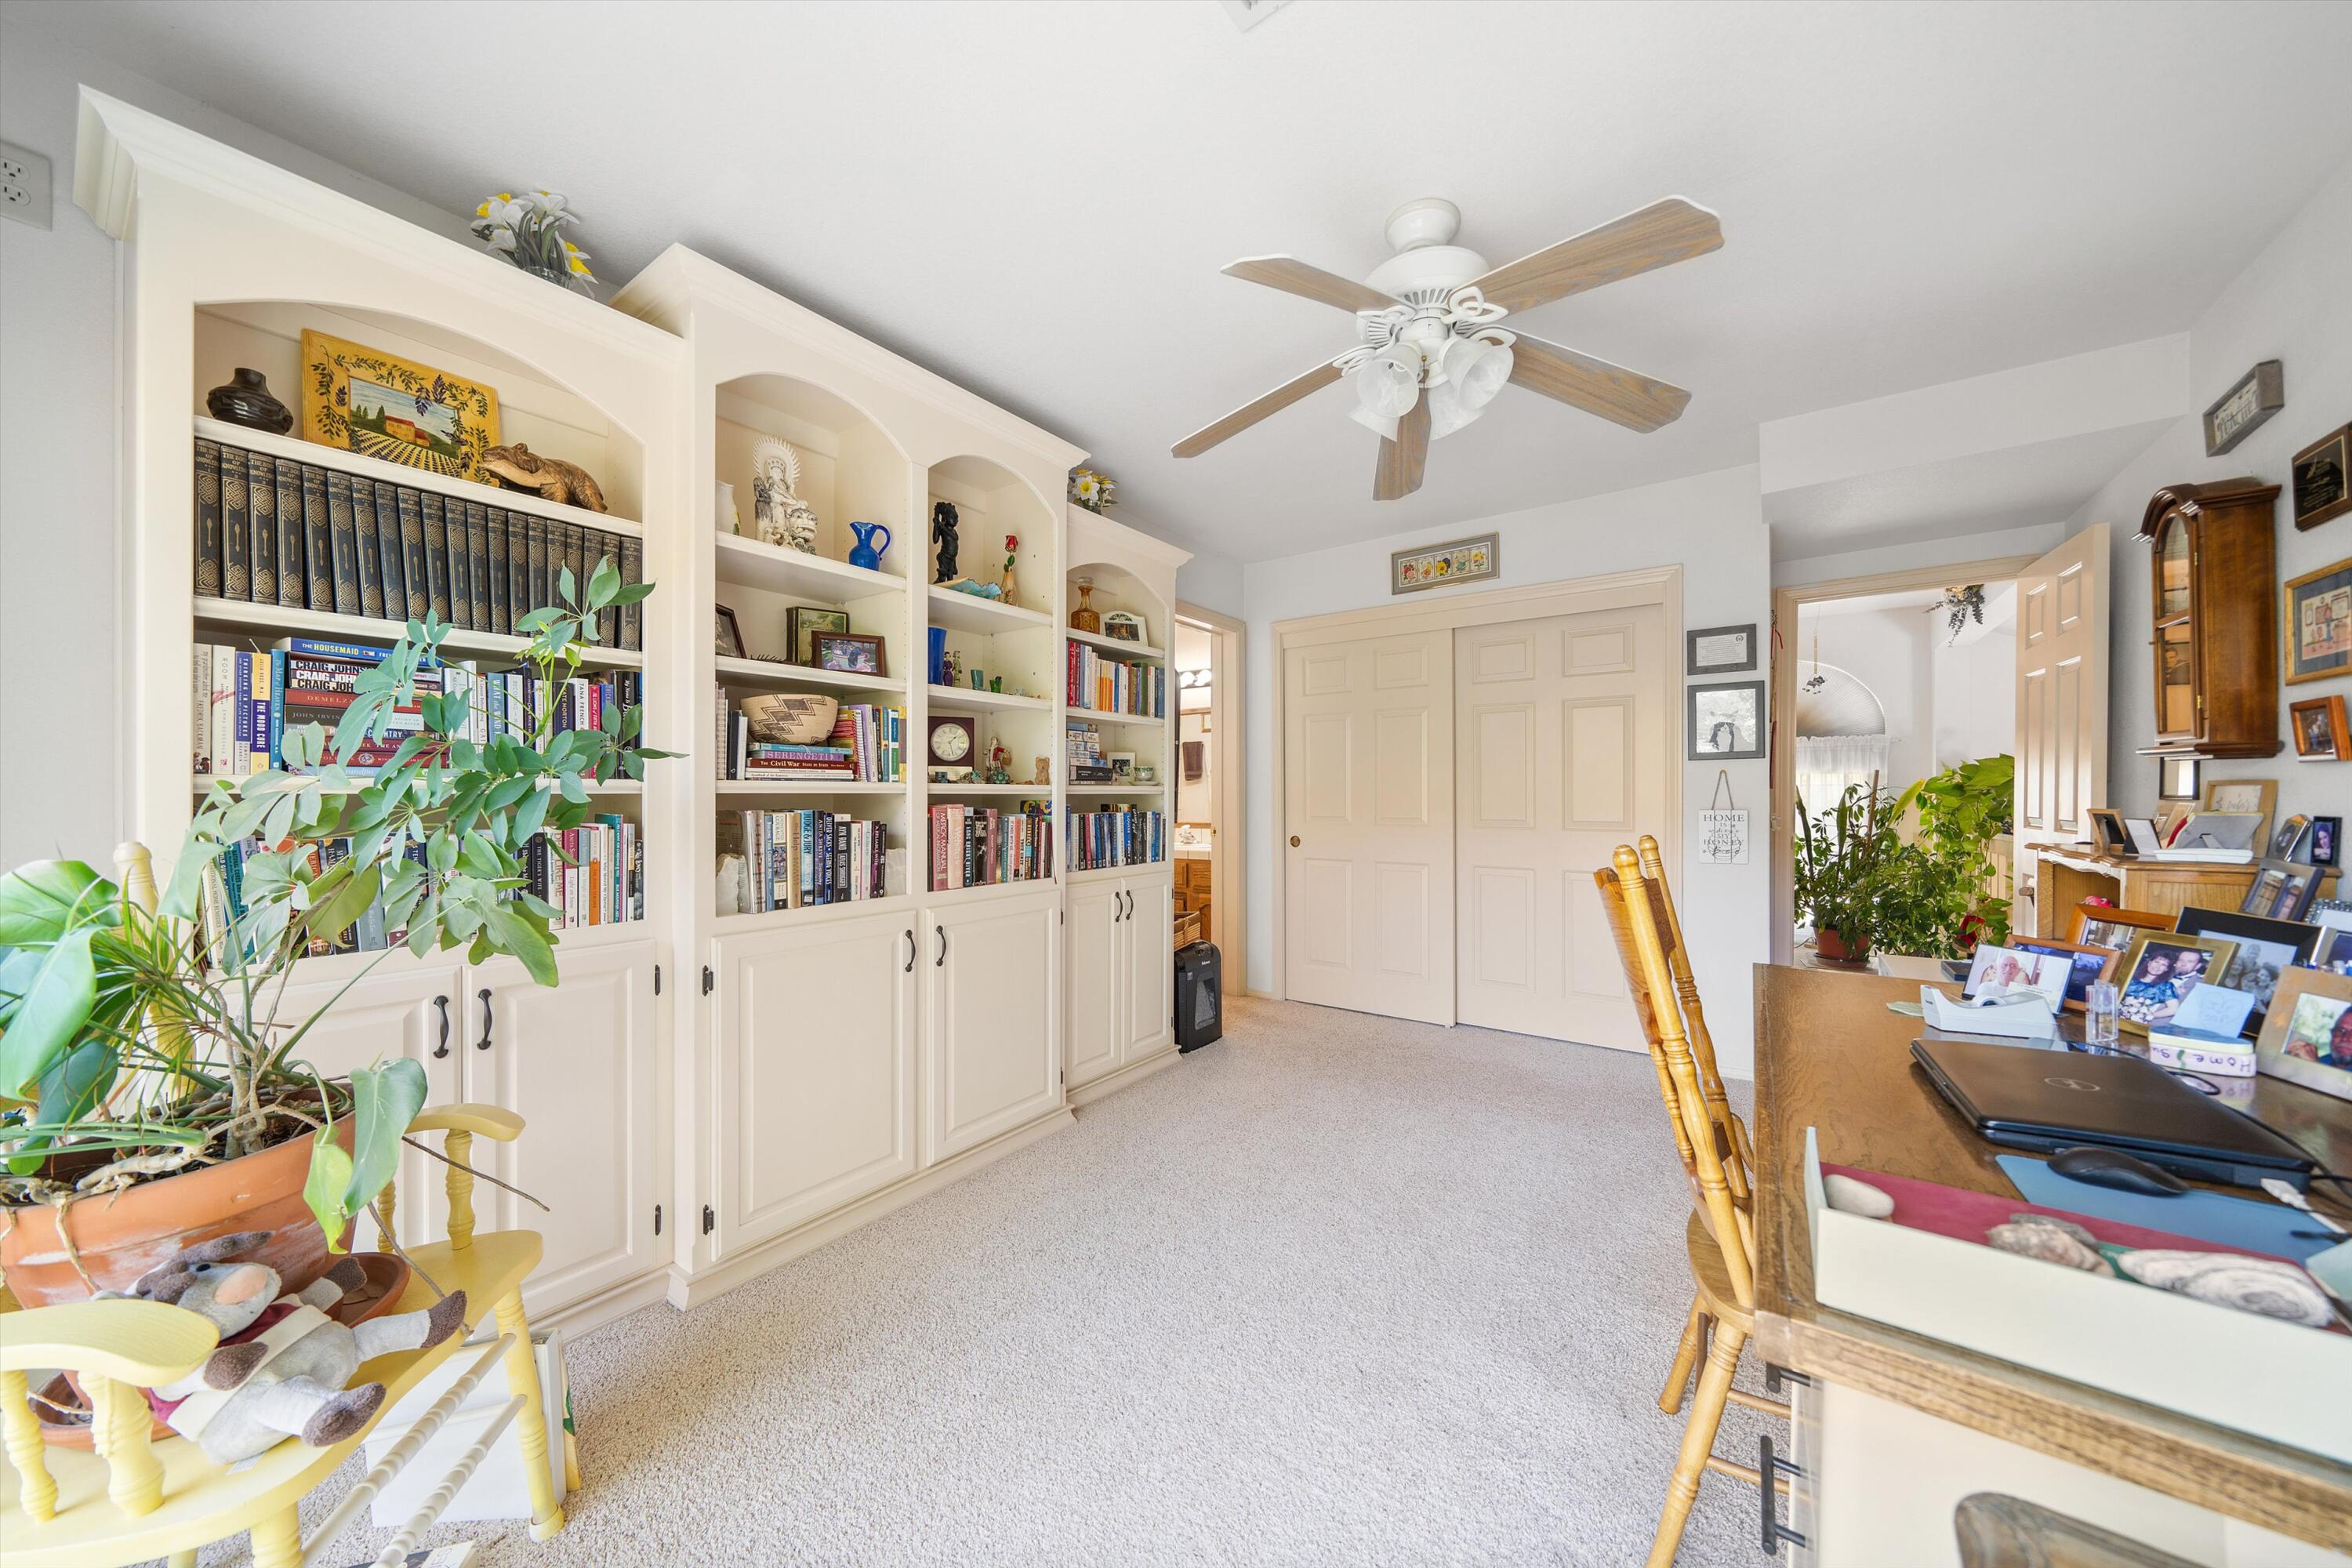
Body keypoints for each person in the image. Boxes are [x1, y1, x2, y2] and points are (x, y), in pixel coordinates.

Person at [2121, 949, 2178, 1025]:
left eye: (2163, 965)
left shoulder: (2165, 986)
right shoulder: (2131, 980)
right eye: (2156, 962)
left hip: (2140, 1025)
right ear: (2149, 963)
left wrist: (2148, 1015)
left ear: (2166, 969)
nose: (2158, 966)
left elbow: (2173, 1009)